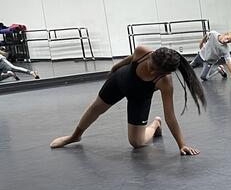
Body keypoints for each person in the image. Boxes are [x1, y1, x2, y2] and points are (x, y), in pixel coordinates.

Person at [50, 46, 205, 155]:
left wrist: (182, 145)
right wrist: (115, 67)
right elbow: (131, 59)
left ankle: (155, 124)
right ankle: (75, 136)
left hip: (140, 97)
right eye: (152, 66)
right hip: (120, 81)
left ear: (165, 73)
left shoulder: (165, 82)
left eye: (157, 72)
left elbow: (170, 117)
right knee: (95, 107)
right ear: (151, 56)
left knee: (137, 143)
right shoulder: (143, 51)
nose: (152, 72)